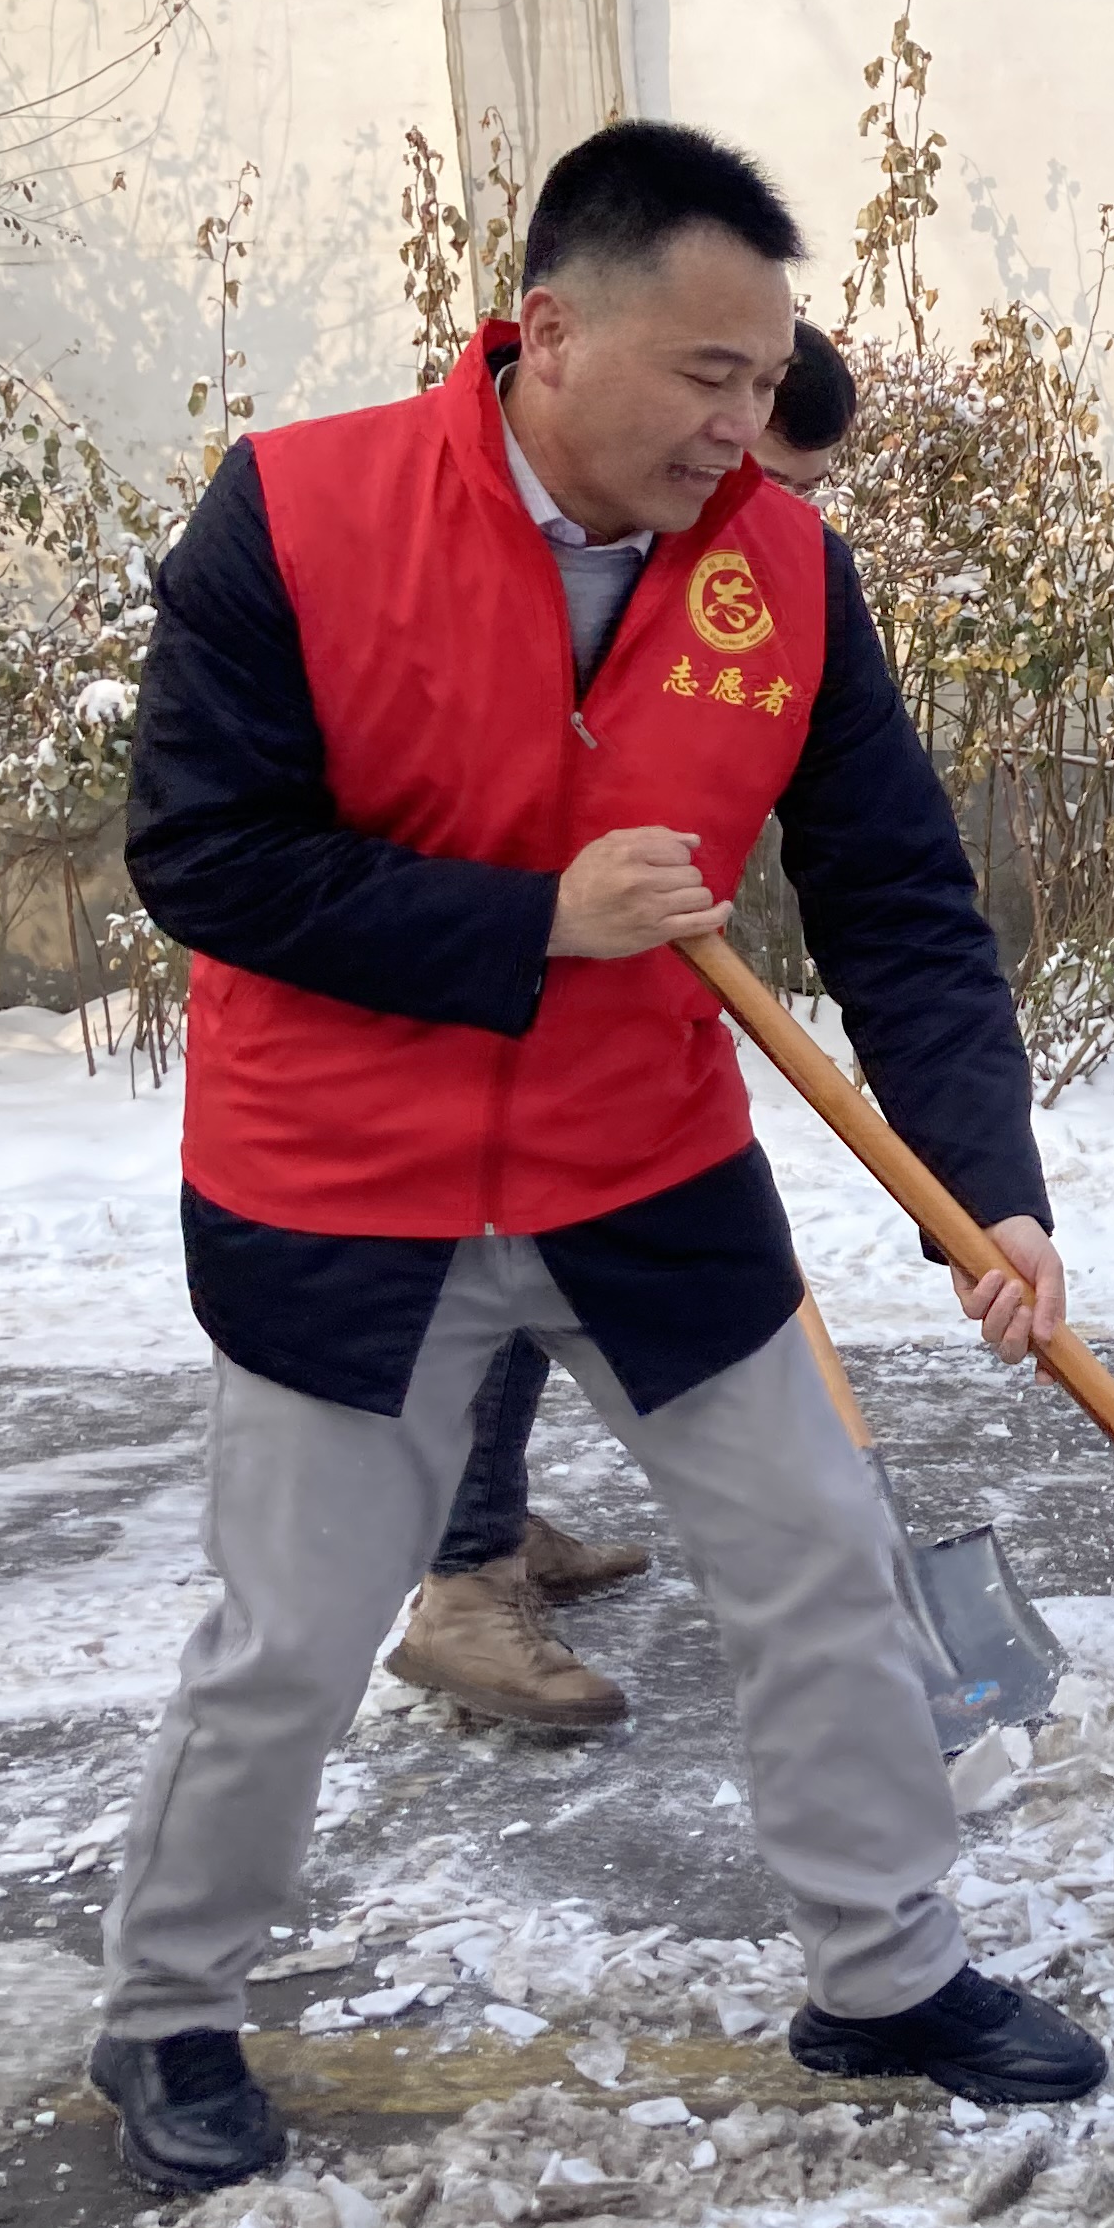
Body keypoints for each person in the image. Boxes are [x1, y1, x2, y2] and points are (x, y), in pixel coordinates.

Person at [98, 120, 1102, 2193]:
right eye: (705, 379)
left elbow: (901, 898)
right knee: (288, 1631)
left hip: (641, 1161)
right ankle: (169, 2010)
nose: (744, 431)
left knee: (818, 1559)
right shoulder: (297, 515)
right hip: (341, 1177)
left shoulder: (788, 570)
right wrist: (525, 919)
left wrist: (983, 1185)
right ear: (548, 333)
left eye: (768, 383)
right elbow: (206, 857)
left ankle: (885, 1973)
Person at [391, 316, 871, 1729]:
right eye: (743, 466)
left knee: (554, 1276)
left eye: (784, 486)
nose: (749, 512)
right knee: (480, 1271)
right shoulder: (495, 548)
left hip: (611, 1032)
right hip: (450, 1019)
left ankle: (491, 1521)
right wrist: (541, 914)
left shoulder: (730, 568)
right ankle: (462, 1583)